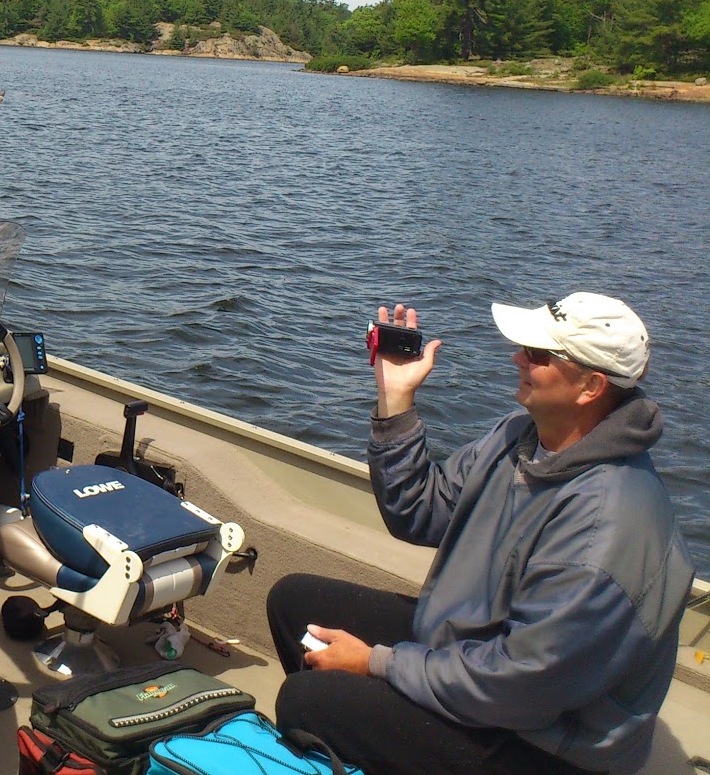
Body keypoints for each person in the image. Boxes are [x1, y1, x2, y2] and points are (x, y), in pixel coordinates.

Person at [267, 294, 694, 775]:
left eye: (537, 354)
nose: (517, 358)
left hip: (544, 742)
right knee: (295, 603)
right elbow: (419, 511)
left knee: (310, 700)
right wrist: (396, 398)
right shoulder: (521, 436)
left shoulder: (607, 528)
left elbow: (520, 686)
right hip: (486, 663)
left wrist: (377, 664)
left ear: (590, 386)